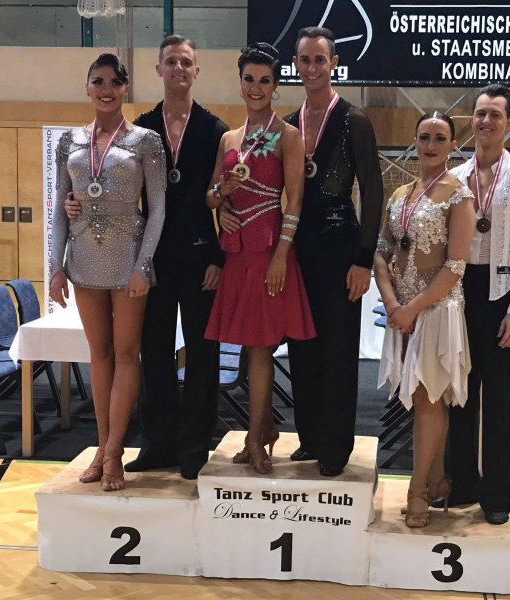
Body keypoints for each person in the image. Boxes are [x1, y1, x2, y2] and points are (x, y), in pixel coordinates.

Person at [220, 27, 383, 477]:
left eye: (319, 60)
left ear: (333, 64)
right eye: (304, 60)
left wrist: (363, 259)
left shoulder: (353, 120)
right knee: (303, 346)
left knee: (338, 348)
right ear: (296, 65)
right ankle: (309, 437)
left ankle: (336, 447)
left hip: (340, 245)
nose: (311, 68)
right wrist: (225, 208)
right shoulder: (287, 125)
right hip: (295, 247)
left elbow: (373, 192)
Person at [65, 36, 227, 480]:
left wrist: (219, 257)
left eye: (186, 62)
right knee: (153, 353)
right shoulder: (143, 127)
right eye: (171, 61)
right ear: (158, 69)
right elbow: (115, 189)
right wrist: (76, 204)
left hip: (200, 256)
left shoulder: (214, 129)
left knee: (202, 354)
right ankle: (158, 444)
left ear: (197, 71)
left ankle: (194, 446)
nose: (178, 69)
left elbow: (223, 199)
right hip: (149, 257)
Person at [50, 53, 166, 492]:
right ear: (87, 87)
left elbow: (158, 210)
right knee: (98, 355)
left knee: (126, 354)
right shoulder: (70, 142)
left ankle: (115, 451)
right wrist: (56, 267)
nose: (106, 89)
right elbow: (59, 208)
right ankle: (102, 447)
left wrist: (143, 265)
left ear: (125, 89)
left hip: (128, 259)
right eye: (98, 81)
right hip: (83, 260)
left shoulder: (145, 141)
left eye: (115, 82)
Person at [205, 43, 316, 475]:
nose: (256, 88)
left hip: (270, 252)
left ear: (275, 86)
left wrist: (282, 255)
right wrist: (222, 202)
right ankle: (263, 429)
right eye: (249, 79)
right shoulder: (228, 139)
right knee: (250, 347)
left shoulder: (289, 136)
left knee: (262, 349)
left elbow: (295, 201)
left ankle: (255, 438)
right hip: (237, 255)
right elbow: (210, 196)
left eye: (264, 81)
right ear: (240, 83)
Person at [446, 84, 510, 525]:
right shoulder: (454, 176)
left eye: (495, 115)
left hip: (503, 292)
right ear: (471, 120)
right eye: (480, 113)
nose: (486, 121)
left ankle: (499, 494)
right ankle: (461, 482)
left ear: (509, 123)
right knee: (459, 393)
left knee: (503, 398)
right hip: (459, 289)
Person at [375, 112, 474, 528]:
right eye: (424, 137)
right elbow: (382, 252)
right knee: (420, 398)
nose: (430, 145)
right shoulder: (400, 194)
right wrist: (393, 303)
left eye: (439, 138)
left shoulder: (460, 196)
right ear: (414, 141)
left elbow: (455, 265)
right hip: (402, 310)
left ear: (453, 145)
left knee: (428, 397)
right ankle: (437, 481)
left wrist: (413, 308)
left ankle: (417, 490)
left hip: (435, 309)